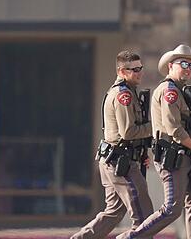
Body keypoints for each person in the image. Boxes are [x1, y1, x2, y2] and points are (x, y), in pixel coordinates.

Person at [116, 44, 191, 239]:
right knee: (172, 209)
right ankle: (131, 237)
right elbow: (174, 129)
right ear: (170, 66)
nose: (188, 68)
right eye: (183, 63)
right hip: (173, 157)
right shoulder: (170, 91)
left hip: (184, 155)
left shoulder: (180, 91)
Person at [71, 50, 154, 239]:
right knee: (144, 217)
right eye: (133, 70)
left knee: (113, 213)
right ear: (121, 71)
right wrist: (157, 125)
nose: (139, 72)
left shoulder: (127, 92)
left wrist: (142, 152)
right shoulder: (123, 95)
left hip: (115, 160)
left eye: (140, 68)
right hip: (121, 163)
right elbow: (128, 132)